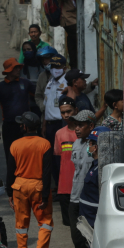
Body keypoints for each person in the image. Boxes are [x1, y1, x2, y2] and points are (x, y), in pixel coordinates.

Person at [9, 112, 54, 248]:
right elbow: (47, 172)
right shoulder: (45, 144)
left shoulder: (15, 145)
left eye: (22, 123)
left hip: (19, 187)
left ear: (25, 127)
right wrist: (46, 194)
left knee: (21, 224)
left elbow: (10, 171)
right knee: (45, 222)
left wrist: (9, 194)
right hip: (38, 186)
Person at [0, 58, 33, 194]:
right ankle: (11, 187)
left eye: (19, 67)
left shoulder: (26, 83)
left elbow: (39, 95)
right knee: (11, 157)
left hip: (26, 126)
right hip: (9, 127)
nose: (19, 70)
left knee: (27, 155)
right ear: (9, 71)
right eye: (15, 68)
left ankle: (27, 182)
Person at [68, 110, 95, 248]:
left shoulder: (97, 145)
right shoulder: (76, 144)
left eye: (80, 125)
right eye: (75, 125)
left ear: (91, 126)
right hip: (75, 196)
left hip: (90, 198)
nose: (76, 128)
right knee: (76, 234)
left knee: (90, 234)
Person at [54, 99, 79, 232]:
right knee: (71, 224)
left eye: (69, 111)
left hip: (81, 185)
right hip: (65, 187)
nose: (66, 115)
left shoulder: (83, 131)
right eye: (63, 112)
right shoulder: (59, 134)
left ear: (76, 110)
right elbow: (58, 160)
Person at [79, 127, 109, 231]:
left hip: (93, 222)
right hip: (88, 219)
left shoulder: (101, 169)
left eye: (90, 143)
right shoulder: (95, 165)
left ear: (95, 147)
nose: (88, 146)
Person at [54, 0, 78, 66]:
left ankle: (73, 64)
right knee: (76, 38)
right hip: (67, 18)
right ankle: (74, 63)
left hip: (75, 16)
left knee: (72, 43)